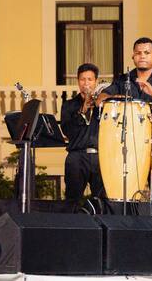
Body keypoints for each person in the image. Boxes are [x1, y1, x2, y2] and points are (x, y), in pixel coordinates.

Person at [61, 63, 105, 204]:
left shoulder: (104, 105)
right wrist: (83, 110)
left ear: (96, 81)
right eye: (82, 79)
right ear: (78, 81)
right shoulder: (69, 105)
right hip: (76, 157)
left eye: (90, 79)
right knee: (72, 201)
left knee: (102, 201)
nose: (86, 83)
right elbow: (67, 131)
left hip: (100, 157)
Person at [97, 37, 152, 110]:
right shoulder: (122, 79)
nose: (142, 56)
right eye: (138, 53)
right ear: (133, 56)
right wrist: (113, 98)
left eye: (147, 53)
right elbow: (99, 99)